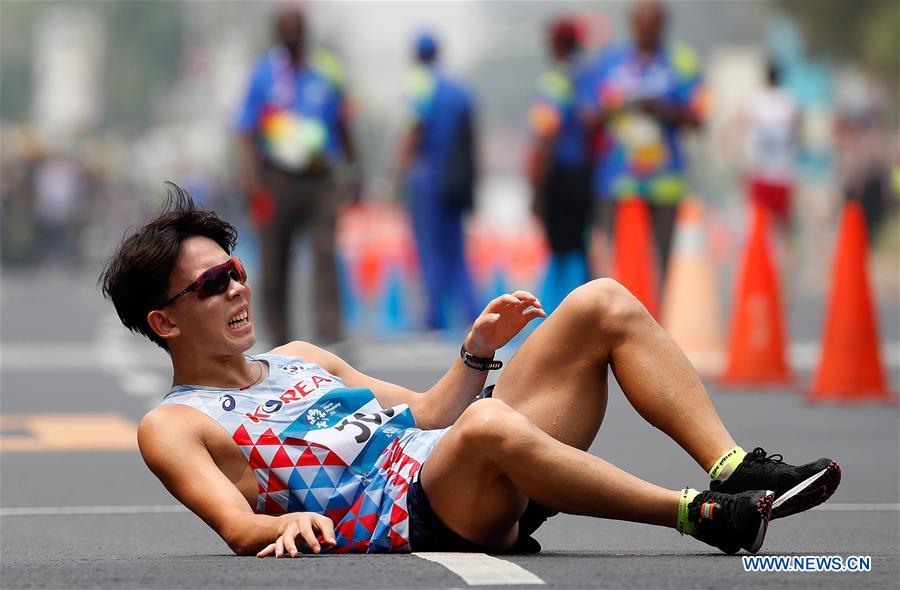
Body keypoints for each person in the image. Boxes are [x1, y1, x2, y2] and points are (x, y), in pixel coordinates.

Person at [99, 183, 841, 557]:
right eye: (211, 284)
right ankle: (702, 516)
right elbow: (236, 527)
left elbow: (427, 414)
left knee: (601, 301)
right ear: (165, 322)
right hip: (422, 512)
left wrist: (477, 350)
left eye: (234, 271)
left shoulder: (300, 359)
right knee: (488, 423)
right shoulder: (174, 424)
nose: (236, 289)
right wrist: (277, 522)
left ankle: (733, 467)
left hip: (462, 459)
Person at [236, 5, 359, 346]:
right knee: (274, 257)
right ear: (277, 33)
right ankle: (279, 336)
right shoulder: (263, 73)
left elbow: (343, 122)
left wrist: (355, 167)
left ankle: (329, 330)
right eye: (285, 29)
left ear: (305, 32)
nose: (292, 35)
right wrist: (250, 177)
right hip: (277, 179)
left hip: (320, 178)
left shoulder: (326, 69)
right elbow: (246, 128)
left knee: (325, 252)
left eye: (297, 28)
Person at [580, 0, 704, 284]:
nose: (646, 31)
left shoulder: (681, 62)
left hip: (665, 182)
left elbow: (698, 118)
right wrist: (618, 106)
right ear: (632, 24)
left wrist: (661, 108)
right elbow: (588, 116)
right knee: (613, 265)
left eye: (653, 25)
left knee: (664, 264)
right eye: (641, 24)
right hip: (618, 182)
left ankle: (659, 310)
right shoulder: (610, 62)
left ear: (662, 25)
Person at [392, 32, 480, 331]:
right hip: (456, 178)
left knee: (429, 248)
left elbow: (414, 130)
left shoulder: (420, 85)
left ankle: (434, 314)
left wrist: (397, 174)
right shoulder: (459, 89)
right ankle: (471, 310)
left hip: (428, 176)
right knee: (456, 249)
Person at [527, 17, 593, 314]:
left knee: (560, 250)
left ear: (557, 44)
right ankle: (585, 313)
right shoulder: (591, 77)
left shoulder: (555, 82)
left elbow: (545, 136)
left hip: (560, 176)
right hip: (586, 174)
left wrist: (536, 188)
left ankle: (555, 317)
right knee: (580, 247)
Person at [741, 61, 800, 232]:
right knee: (782, 225)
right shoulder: (788, 100)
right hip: (781, 172)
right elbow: (798, 132)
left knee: (760, 224)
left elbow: (740, 126)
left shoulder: (756, 99)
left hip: (764, 171)